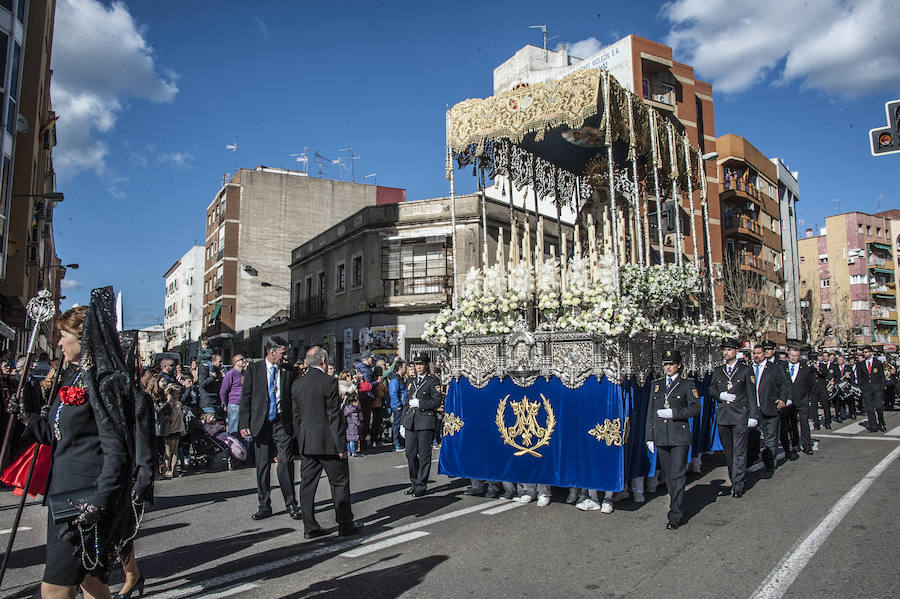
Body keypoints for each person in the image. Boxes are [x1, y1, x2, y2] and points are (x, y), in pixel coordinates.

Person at [10, 290, 141, 599]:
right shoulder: (71, 380)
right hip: (63, 496)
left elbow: (117, 450)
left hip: (83, 502)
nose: (58, 343)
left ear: (83, 338)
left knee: (54, 590)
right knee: (92, 585)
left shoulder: (102, 383)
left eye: (63, 336)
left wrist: (100, 499)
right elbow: (58, 436)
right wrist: (26, 418)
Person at [292, 346, 361, 538]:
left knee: (307, 484)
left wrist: (301, 440)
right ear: (324, 361)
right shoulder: (329, 382)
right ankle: (345, 523)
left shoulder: (298, 384)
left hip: (307, 442)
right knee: (339, 482)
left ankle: (309, 526)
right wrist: (341, 445)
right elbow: (333, 416)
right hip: (328, 442)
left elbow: (296, 417)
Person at [239, 336, 299, 520]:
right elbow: (246, 397)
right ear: (272, 352)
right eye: (283, 353)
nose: (286, 356)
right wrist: (244, 423)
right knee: (262, 465)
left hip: (282, 422)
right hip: (262, 422)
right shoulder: (254, 370)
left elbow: (293, 398)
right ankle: (264, 505)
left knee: (285, 462)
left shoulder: (288, 371)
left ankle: (291, 503)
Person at [645, 350, 700, 530]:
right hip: (661, 435)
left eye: (671, 364)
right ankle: (675, 501)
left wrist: (675, 413)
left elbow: (695, 408)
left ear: (679, 366)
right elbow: (651, 412)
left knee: (677, 475)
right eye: (666, 364)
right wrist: (649, 437)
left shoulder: (686, 385)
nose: (668, 367)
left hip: (679, 436)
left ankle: (675, 514)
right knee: (668, 476)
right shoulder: (656, 385)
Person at [708, 338, 757, 498]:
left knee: (740, 451)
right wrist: (719, 395)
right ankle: (733, 476)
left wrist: (752, 415)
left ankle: (738, 484)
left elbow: (751, 393)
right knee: (728, 452)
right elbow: (711, 389)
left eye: (729, 349)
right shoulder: (718, 370)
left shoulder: (745, 370)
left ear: (736, 351)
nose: (726, 352)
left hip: (740, 416)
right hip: (723, 416)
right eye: (724, 350)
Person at [402, 353, 443, 498]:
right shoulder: (410, 381)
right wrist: (402, 423)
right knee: (410, 454)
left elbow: (436, 401)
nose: (418, 367)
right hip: (411, 421)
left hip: (425, 421)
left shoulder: (432, 381)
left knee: (424, 455)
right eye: (416, 364)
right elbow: (406, 403)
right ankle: (414, 482)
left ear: (426, 365)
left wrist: (421, 404)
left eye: (421, 364)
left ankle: (421, 484)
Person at [751, 345, 788, 477]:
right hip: (753, 409)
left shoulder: (774, 368)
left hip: (770, 408)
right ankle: (752, 460)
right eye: (754, 353)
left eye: (759, 353)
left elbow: (784, 384)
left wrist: (783, 399)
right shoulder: (749, 369)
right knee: (753, 437)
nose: (756, 356)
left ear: (764, 354)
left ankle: (769, 464)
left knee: (770, 438)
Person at [786, 349, 815, 455]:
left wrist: (806, 396)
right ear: (788, 355)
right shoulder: (783, 367)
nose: (794, 357)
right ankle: (795, 444)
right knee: (792, 424)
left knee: (804, 423)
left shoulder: (805, 369)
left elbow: (811, 384)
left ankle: (807, 445)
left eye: (796, 356)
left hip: (802, 400)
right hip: (789, 401)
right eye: (792, 355)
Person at [857, 345, 887, 433]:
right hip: (867, 389)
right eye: (864, 352)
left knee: (879, 407)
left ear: (871, 353)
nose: (864, 354)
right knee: (869, 409)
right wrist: (862, 387)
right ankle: (873, 425)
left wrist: (882, 386)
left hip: (877, 389)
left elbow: (882, 376)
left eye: (866, 352)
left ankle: (881, 423)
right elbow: (859, 377)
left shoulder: (877, 363)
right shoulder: (861, 364)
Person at [220, 354, 246, 436]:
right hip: (234, 405)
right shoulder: (231, 373)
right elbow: (223, 391)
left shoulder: (244, 374)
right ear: (235, 362)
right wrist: (225, 404)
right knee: (234, 430)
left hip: (244, 405)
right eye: (241, 359)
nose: (244, 360)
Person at [162, 385, 185, 478]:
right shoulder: (175, 404)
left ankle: (170, 470)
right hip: (173, 429)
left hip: (174, 429)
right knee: (170, 451)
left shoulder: (174, 404)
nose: (178, 395)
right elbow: (173, 417)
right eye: (177, 393)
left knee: (172, 451)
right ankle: (169, 469)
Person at [387, 360, 407, 451]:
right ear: (400, 368)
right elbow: (393, 393)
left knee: (400, 424)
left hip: (401, 405)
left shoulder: (400, 378)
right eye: (404, 367)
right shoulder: (395, 380)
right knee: (397, 425)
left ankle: (400, 442)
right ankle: (396, 443)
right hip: (398, 406)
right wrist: (398, 404)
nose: (406, 369)